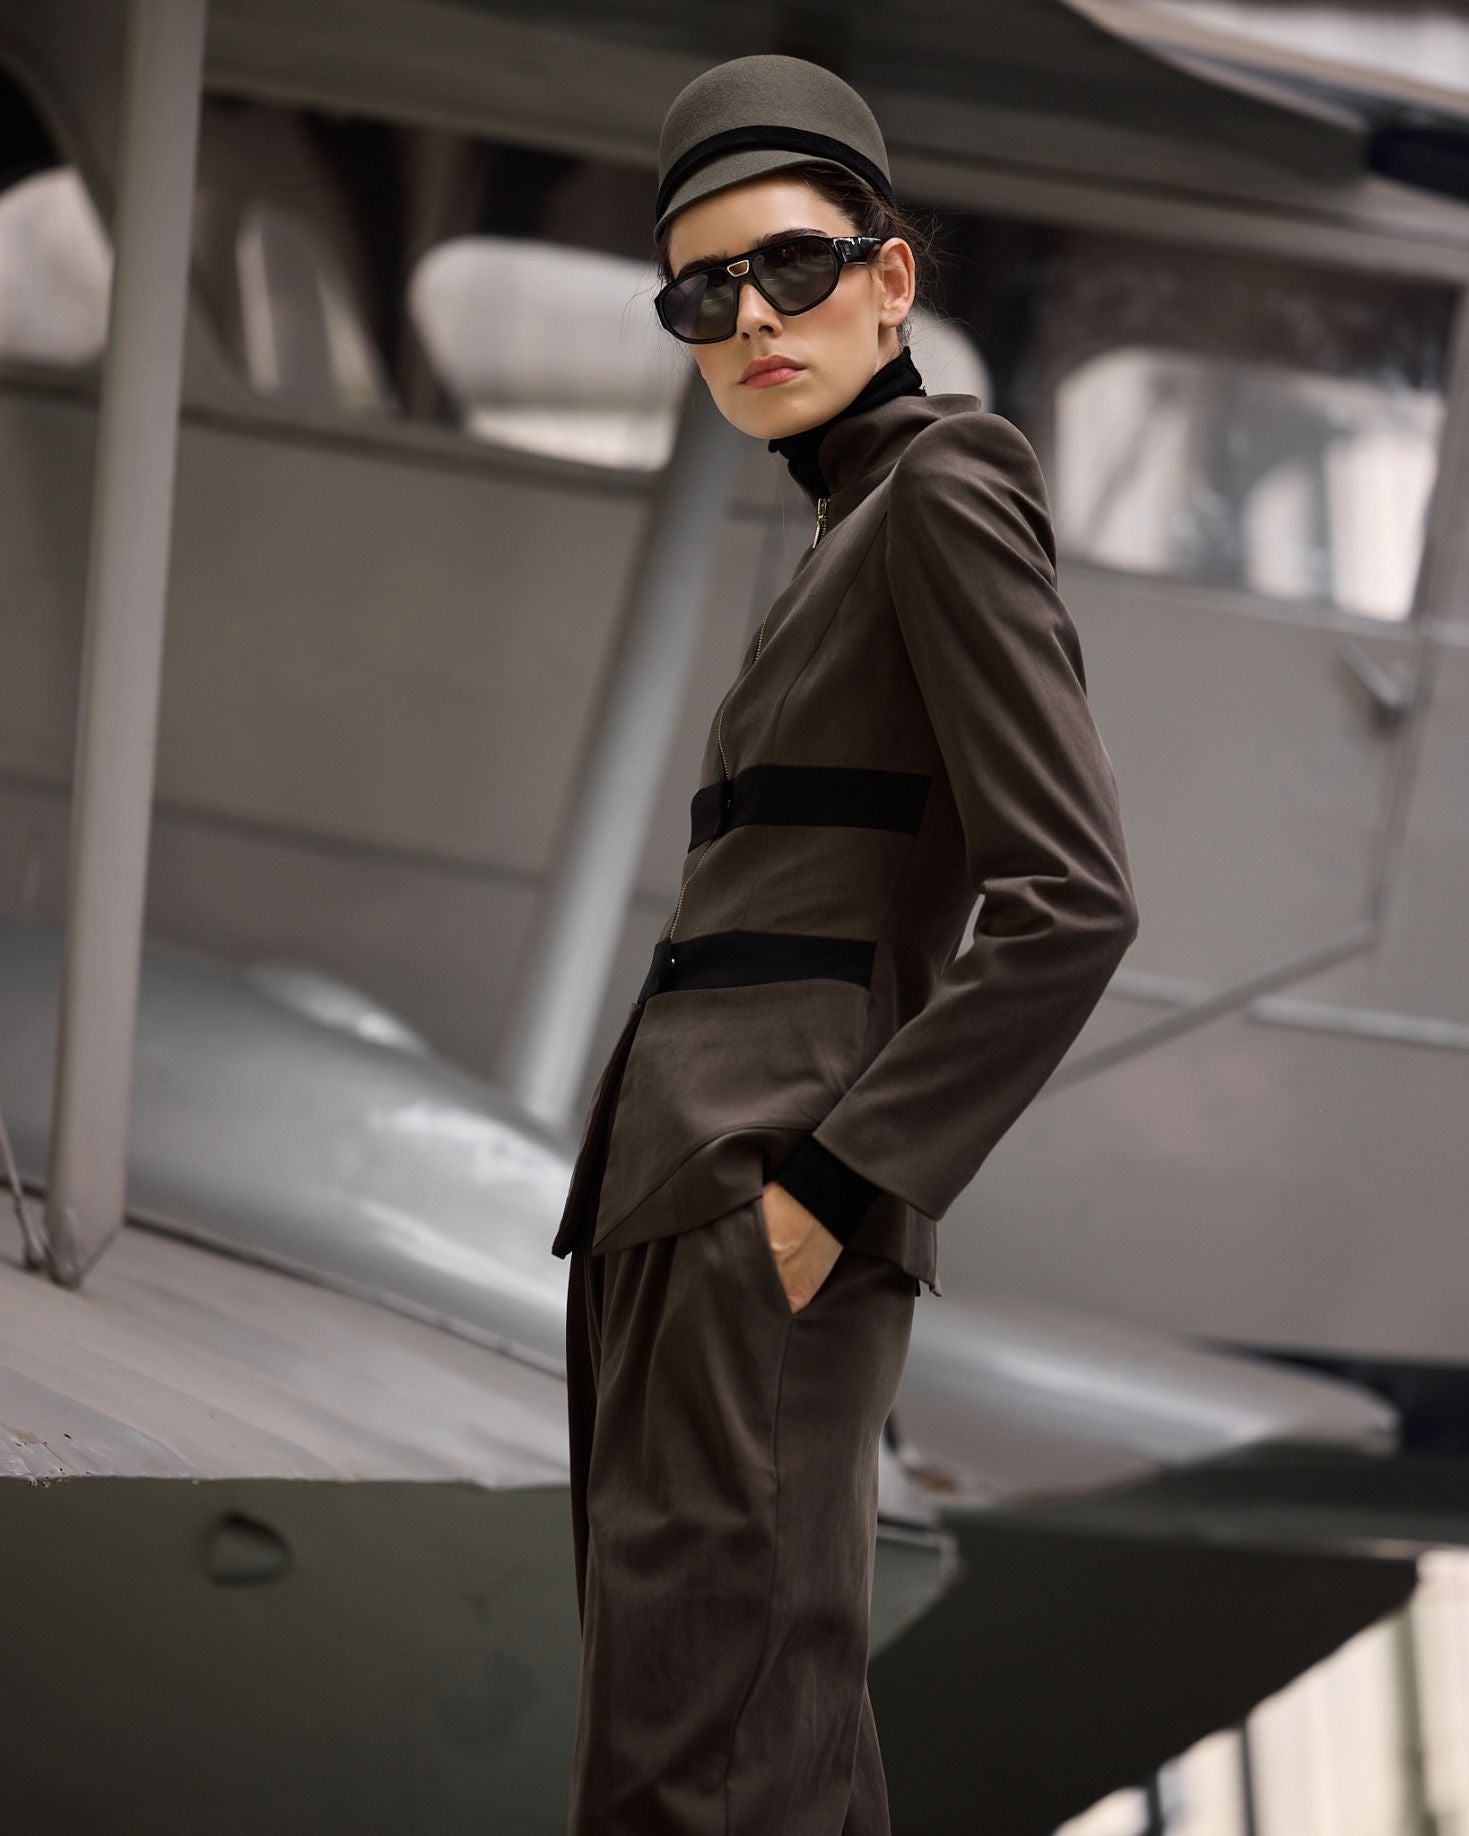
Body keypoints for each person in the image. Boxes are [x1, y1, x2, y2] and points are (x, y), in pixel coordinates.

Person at [554, 51, 1140, 1836]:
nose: (747, 317)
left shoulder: (946, 486)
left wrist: (832, 1185)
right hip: (675, 1200)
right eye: (700, 294)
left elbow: (1072, 901)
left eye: (790, 267)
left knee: (698, 1759)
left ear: (890, 277)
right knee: (749, 1732)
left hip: (762, 1191)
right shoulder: (845, 525)